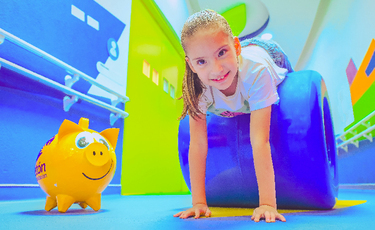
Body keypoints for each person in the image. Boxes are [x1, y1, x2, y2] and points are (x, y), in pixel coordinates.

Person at [173, 10, 292, 223]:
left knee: (289, 87)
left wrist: (267, 203)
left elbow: (259, 140)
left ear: (235, 47)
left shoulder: (256, 73)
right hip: (241, 59)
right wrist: (198, 202)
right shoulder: (196, 88)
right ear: (191, 65)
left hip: (267, 54)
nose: (216, 69)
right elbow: (198, 144)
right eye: (201, 62)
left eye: (221, 53)